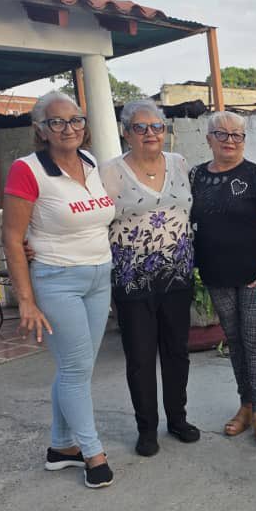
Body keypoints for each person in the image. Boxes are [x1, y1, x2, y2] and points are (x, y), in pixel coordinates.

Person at [1, 91, 116, 488]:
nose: (69, 128)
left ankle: (60, 446)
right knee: (75, 368)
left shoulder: (90, 161)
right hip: (57, 280)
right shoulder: (26, 169)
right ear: (41, 129)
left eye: (76, 120)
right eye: (57, 122)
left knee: (76, 367)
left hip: (100, 276)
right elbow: (13, 238)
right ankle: (92, 453)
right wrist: (27, 301)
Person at [101, 99, 199, 458]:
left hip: (177, 276)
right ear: (126, 132)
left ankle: (178, 418)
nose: (149, 134)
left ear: (165, 130)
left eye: (156, 126)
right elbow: (94, 221)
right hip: (132, 280)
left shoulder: (179, 163)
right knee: (140, 357)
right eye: (140, 127)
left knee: (177, 352)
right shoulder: (110, 172)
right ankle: (147, 429)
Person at [190, 112, 256, 449]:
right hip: (216, 274)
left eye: (236, 135)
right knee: (236, 342)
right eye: (222, 134)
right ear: (208, 138)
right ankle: (245, 404)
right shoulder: (196, 176)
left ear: (244, 140)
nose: (229, 140)